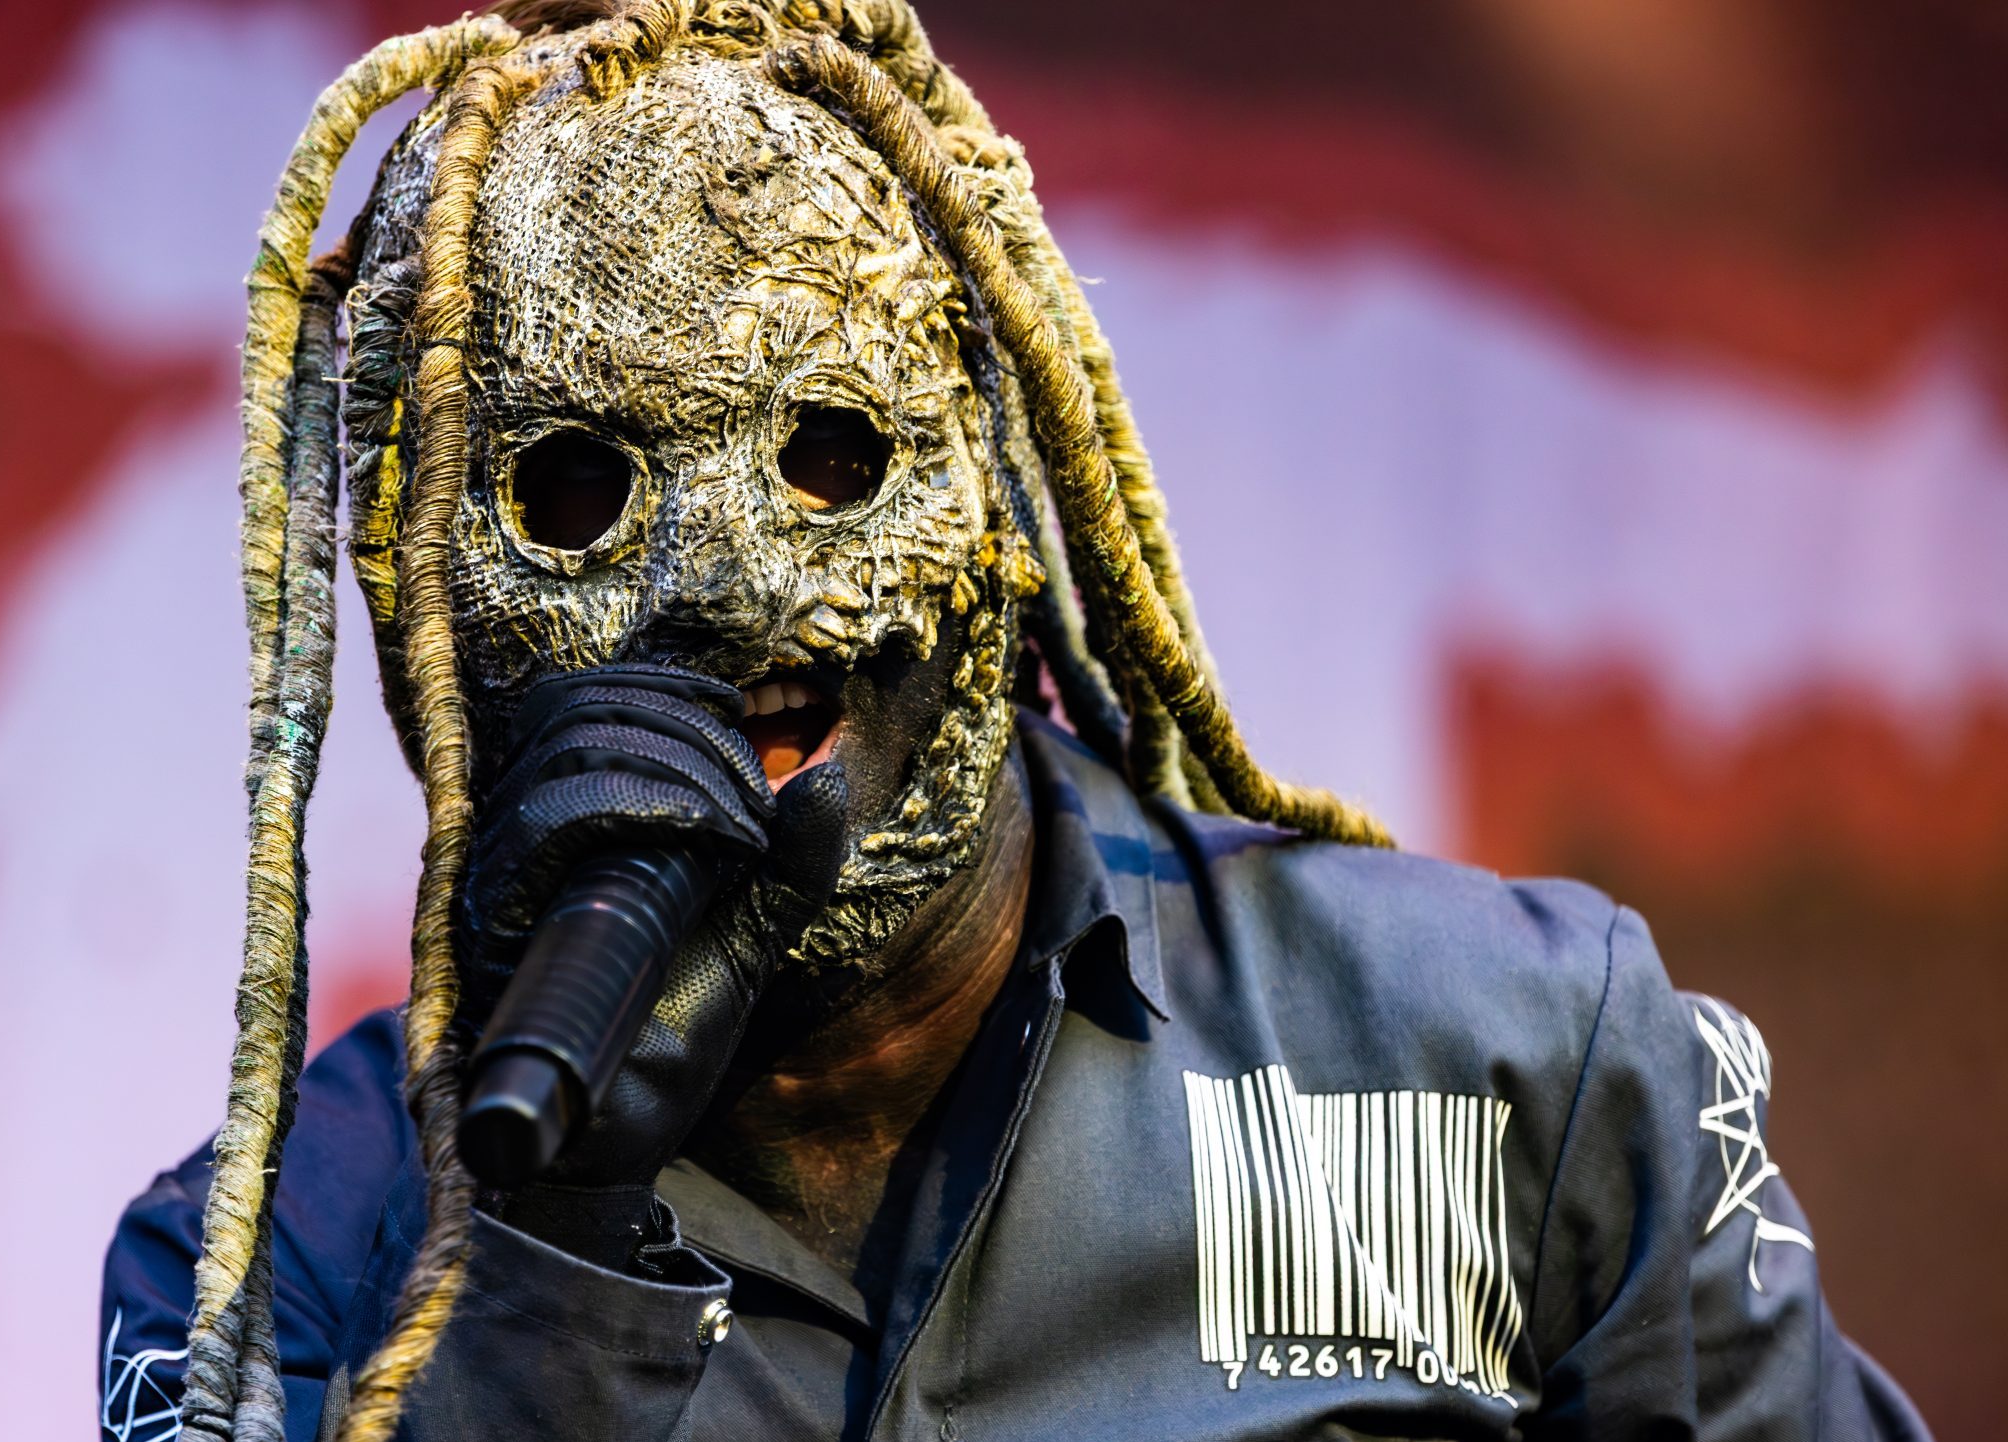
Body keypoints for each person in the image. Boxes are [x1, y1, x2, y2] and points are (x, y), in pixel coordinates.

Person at [101, 2, 1930, 1438]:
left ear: (989, 474)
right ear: (413, 583)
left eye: (827, 453)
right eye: (574, 494)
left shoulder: (1513, 1058)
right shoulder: (264, 1265)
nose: (718, 586)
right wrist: (548, 1254)